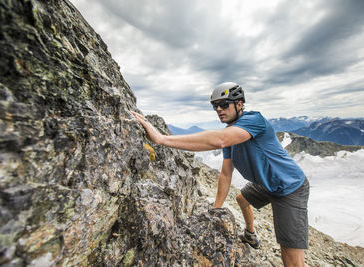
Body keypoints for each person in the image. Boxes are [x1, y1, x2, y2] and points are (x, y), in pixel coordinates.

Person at [132, 82, 310, 267]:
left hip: (289, 187)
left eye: (224, 104)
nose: (218, 109)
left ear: (239, 104)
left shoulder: (254, 120)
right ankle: (250, 234)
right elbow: (226, 174)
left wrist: (161, 139)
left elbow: (219, 140)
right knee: (242, 198)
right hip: (267, 183)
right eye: (215, 105)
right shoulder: (231, 135)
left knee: (291, 258)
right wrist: (215, 210)